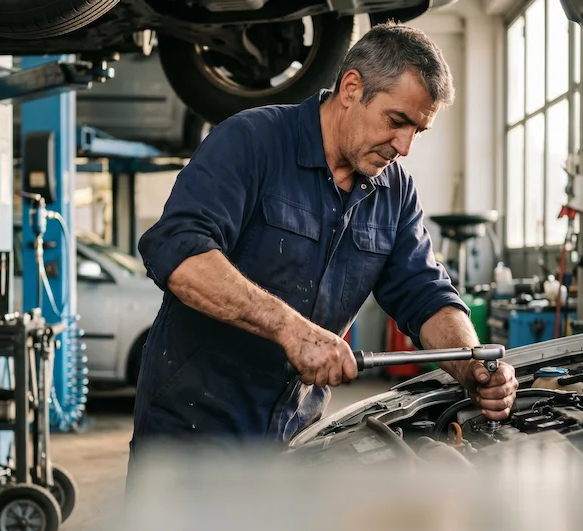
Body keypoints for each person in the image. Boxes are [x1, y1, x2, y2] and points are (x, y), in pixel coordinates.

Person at [130, 22, 518, 457]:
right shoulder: (252, 141)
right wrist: (290, 329)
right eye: (397, 121)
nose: (404, 146)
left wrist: (472, 364)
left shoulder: (395, 192)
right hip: (192, 432)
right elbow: (179, 251)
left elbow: (425, 295)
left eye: (418, 131)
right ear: (351, 88)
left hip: (297, 438)